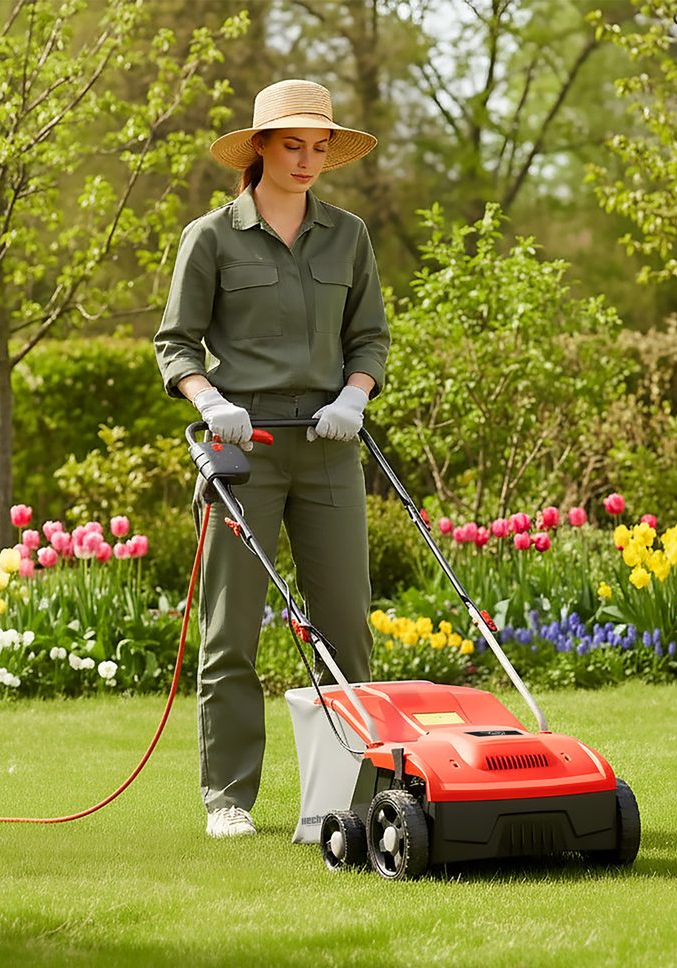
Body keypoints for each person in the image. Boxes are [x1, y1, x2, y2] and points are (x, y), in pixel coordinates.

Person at [154, 80, 390, 839]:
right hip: (241, 449)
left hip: (329, 446)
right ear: (259, 148)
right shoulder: (211, 237)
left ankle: (354, 796)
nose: (307, 160)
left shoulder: (349, 235)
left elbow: (370, 339)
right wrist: (209, 401)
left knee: (346, 629)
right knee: (231, 631)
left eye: (320, 147)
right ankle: (228, 798)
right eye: (293, 145)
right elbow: (175, 344)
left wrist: (353, 396)